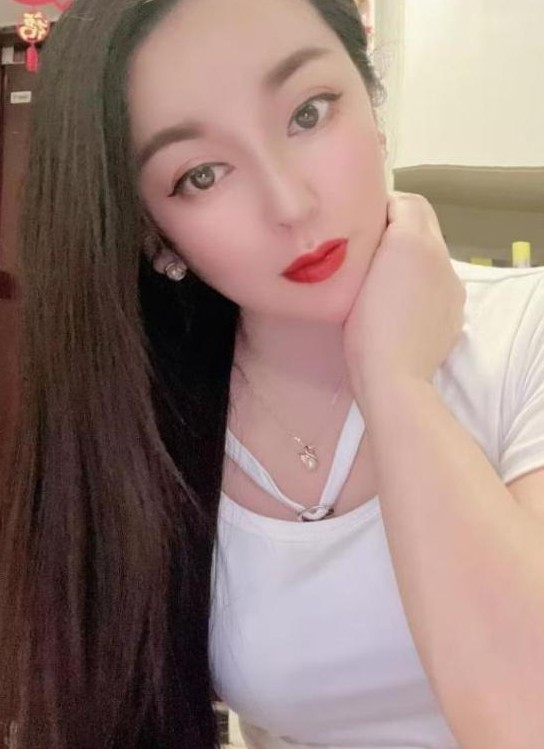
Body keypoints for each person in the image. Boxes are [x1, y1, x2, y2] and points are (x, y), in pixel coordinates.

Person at [1, 0, 544, 747]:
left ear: (371, 99)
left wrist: (396, 383)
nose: (290, 204)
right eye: (201, 174)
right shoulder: (153, 422)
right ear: (154, 233)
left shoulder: (526, 332)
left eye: (308, 113)